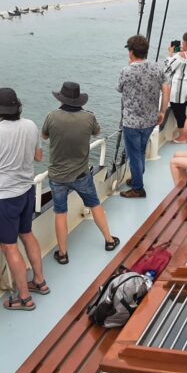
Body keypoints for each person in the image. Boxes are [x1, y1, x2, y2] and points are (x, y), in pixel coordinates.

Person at [0, 87, 47, 311]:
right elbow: (38, 156)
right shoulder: (30, 125)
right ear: (18, 106)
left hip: (5, 198)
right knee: (27, 234)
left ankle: (24, 298)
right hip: (27, 191)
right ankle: (39, 281)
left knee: (9, 247)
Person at [41, 82, 120, 264]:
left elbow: (44, 136)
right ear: (79, 100)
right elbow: (97, 132)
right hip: (81, 174)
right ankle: (108, 240)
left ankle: (62, 254)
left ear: (61, 99)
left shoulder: (52, 117)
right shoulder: (88, 117)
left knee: (60, 213)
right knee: (95, 205)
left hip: (58, 176)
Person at [117, 35, 170, 198]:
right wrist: (162, 111)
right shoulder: (157, 68)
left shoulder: (126, 71)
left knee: (134, 155)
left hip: (132, 122)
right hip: (150, 119)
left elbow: (119, 88)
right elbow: (166, 90)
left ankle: (138, 188)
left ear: (131, 52)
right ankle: (136, 179)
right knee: (140, 151)